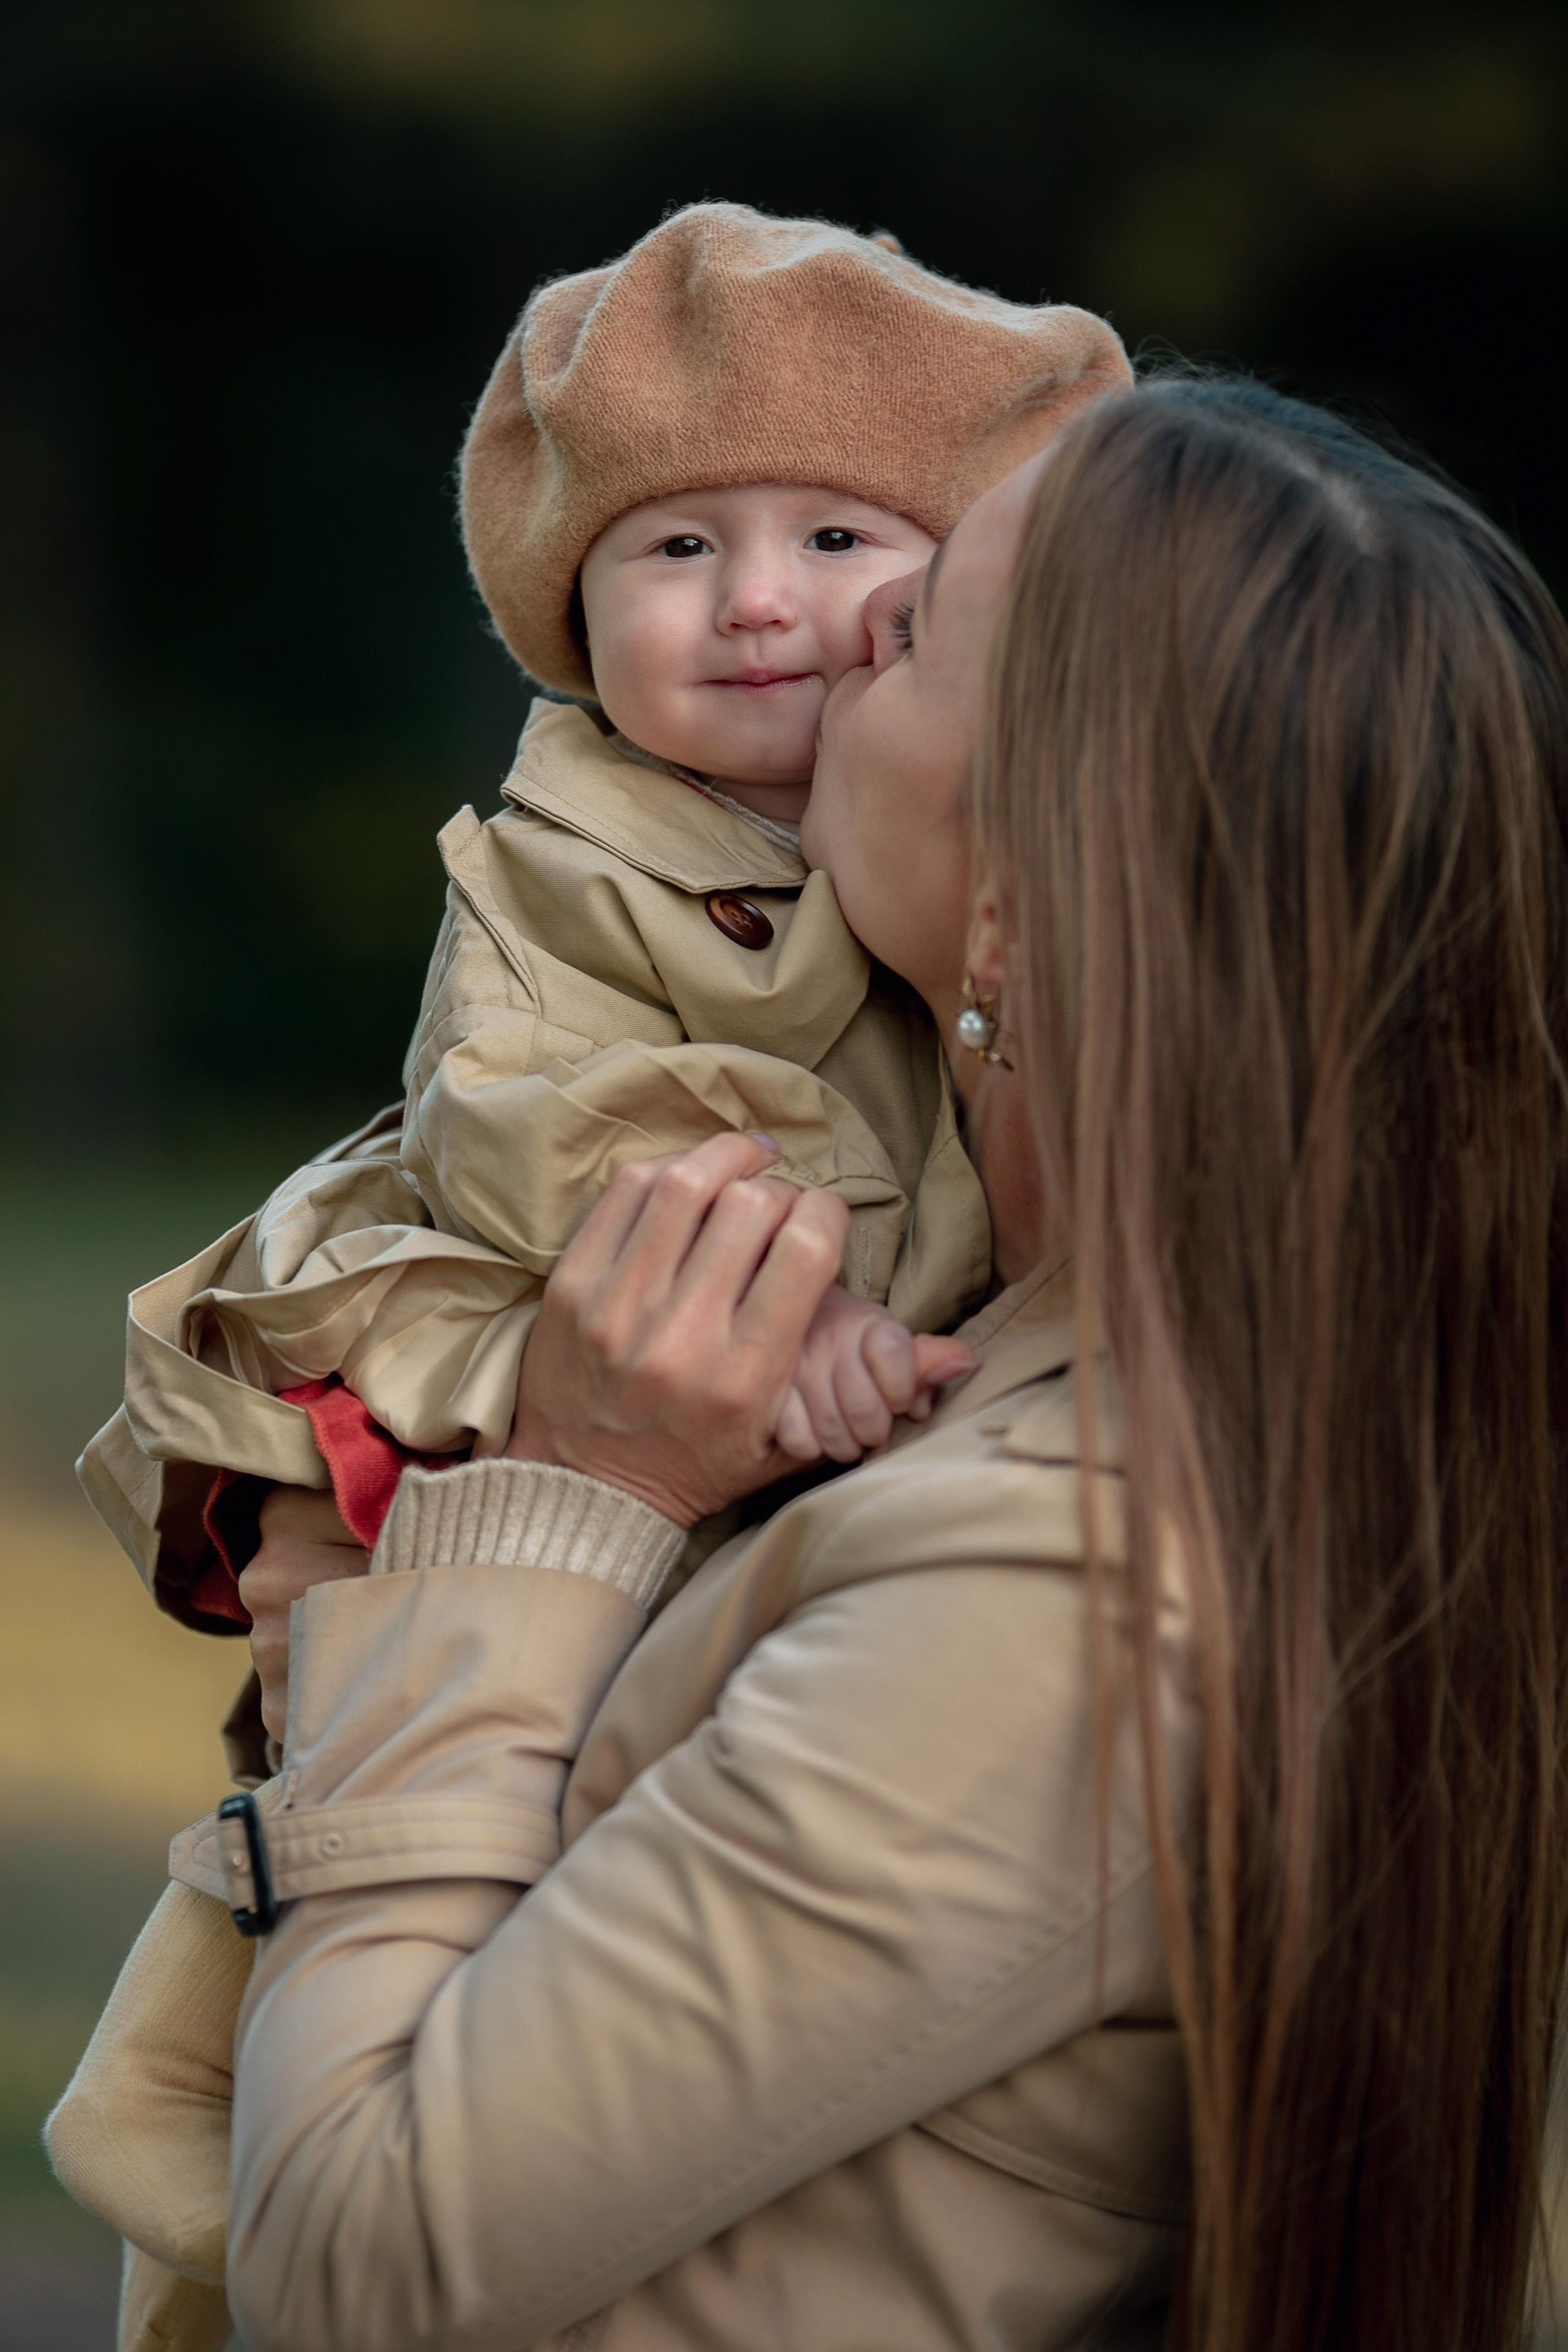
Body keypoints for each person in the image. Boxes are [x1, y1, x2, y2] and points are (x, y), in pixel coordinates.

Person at [104, 373, 1568, 2352]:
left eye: (898, 631)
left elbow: (358, 2272)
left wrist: (559, 1504)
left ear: (1010, 905)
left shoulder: (1059, 1593)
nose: (799, 655)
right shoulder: (1083, 1365)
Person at [48, 205, 1129, 2351]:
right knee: (315, 1974)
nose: (765, 610)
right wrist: (753, 1321)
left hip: (778, 1530)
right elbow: (548, 1123)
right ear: (564, 612)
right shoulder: (575, 850)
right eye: (672, 551)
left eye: (857, 562)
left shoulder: (1066, 1574)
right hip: (582, 1403)